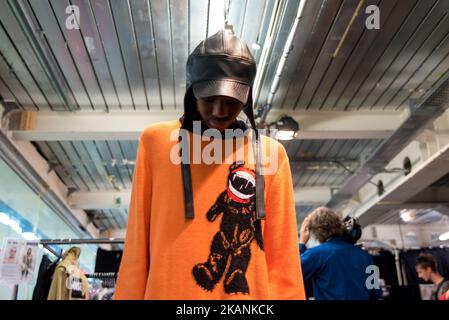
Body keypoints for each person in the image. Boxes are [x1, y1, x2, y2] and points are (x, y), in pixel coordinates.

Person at [114, 30, 305, 299]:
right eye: (209, 99)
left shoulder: (271, 154)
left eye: (231, 101)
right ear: (192, 92)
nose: (219, 111)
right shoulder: (156, 142)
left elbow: (283, 256)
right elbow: (137, 242)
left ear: (247, 98)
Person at [299, 207, 381, 300]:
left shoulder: (317, 254)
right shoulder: (365, 255)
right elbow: (376, 292)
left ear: (317, 232)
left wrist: (302, 243)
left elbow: (293, 274)